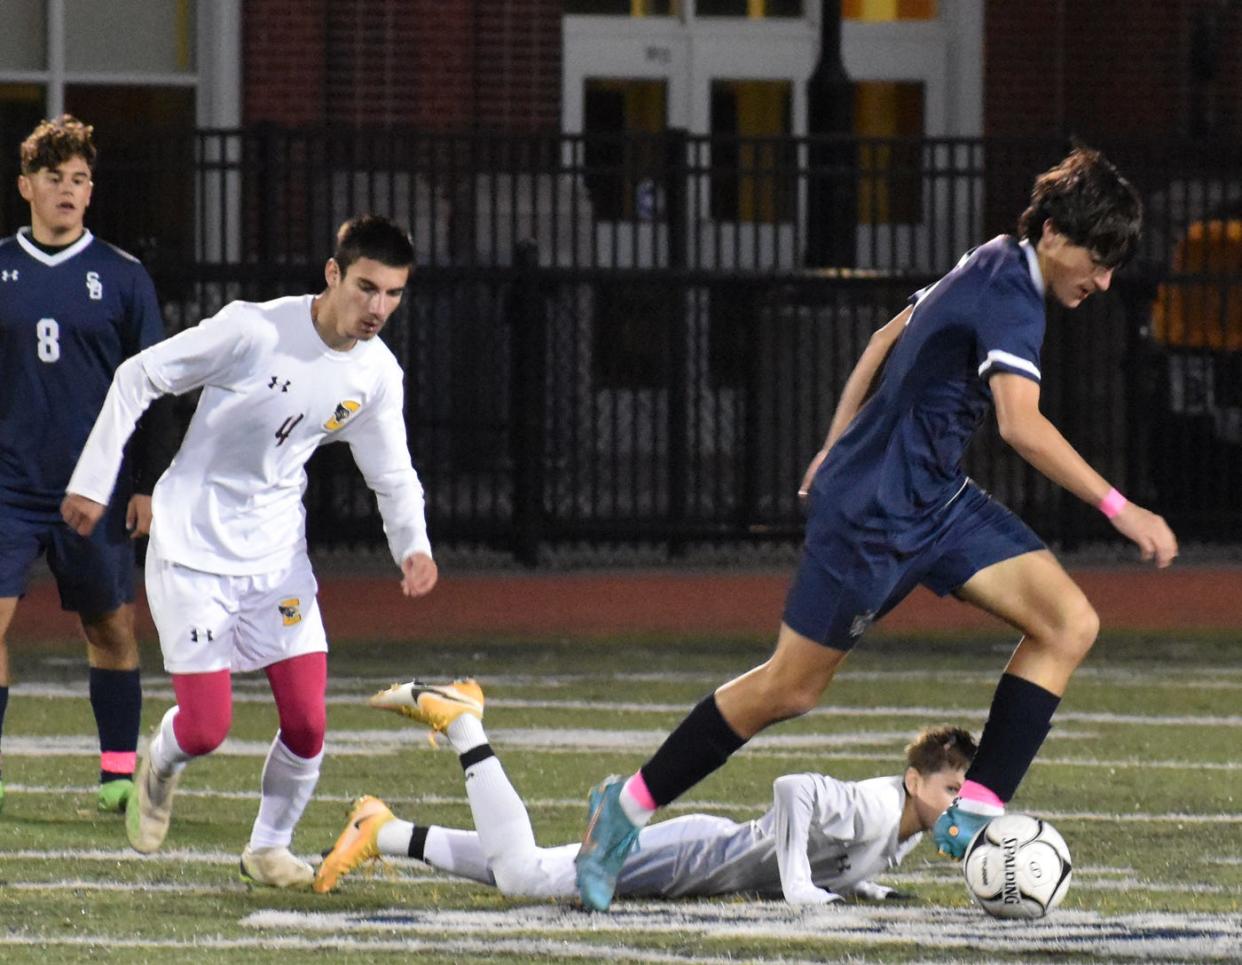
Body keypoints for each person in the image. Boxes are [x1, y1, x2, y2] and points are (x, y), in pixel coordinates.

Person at [574, 147, 1180, 911]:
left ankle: (977, 811)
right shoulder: (1011, 292)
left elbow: (884, 337)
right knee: (788, 688)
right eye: (1099, 259)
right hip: (873, 517)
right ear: (1055, 233)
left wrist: (836, 438)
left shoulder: (994, 259)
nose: (1103, 281)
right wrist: (1123, 509)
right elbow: (1021, 427)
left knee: (1070, 621)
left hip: (936, 501)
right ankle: (623, 808)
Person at [60, 215, 438, 887]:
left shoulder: (377, 374)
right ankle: (162, 765)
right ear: (332, 274)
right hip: (193, 544)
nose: (378, 308)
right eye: (366, 288)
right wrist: (93, 481)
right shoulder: (254, 330)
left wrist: (413, 544)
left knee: (308, 720)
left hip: (275, 555)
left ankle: (269, 846)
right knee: (206, 727)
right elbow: (138, 376)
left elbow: (392, 471)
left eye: (394, 294)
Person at [314, 678, 975, 905]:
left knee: (543, 867)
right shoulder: (878, 803)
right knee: (524, 878)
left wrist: (862, 885)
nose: (957, 801)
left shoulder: (901, 827)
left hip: (705, 854)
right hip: (695, 858)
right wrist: (800, 883)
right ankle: (464, 723)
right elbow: (794, 787)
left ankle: (385, 830)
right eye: (950, 786)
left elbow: (844, 854)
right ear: (915, 779)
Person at [0, 115, 174, 815]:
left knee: (110, 626)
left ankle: (116, 771)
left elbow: (157, 387)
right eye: (53, 178)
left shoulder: (123, 278)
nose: (67, 190)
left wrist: (146, 484)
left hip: (94, 489)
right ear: (25, 187)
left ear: (91, 191)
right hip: (7, 484)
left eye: (78, 180)